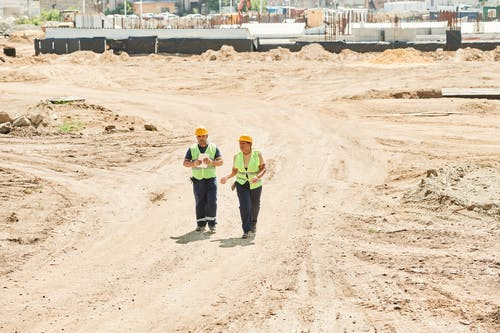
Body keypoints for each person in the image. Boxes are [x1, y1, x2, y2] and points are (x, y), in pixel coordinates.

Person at [220, 135, 266, 239]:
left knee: (255, 205)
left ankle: (253, 222)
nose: (241, 145)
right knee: (245, 206)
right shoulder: (237, 156)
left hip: (255, 184)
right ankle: (246, 230)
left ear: (250, 144)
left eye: (244, 143)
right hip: (241, 184)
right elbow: (235, 171)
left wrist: (258, 176)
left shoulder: (257, 154)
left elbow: (263, 169)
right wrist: (226, 177)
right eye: (240, 143)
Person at [183, 126, 223, 232]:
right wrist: (194, 163)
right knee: (200, 201)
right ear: (196, 137)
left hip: (211, 178)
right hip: (198, 179)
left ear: (207, 136)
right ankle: (200, 224)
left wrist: (212, 162)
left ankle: (212, 223)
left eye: (203, 136)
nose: (201, 138)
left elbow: (221, 162)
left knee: (212, 201)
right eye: (199, 136)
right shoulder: (192, 148)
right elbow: (185, 163)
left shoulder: (214, 147)